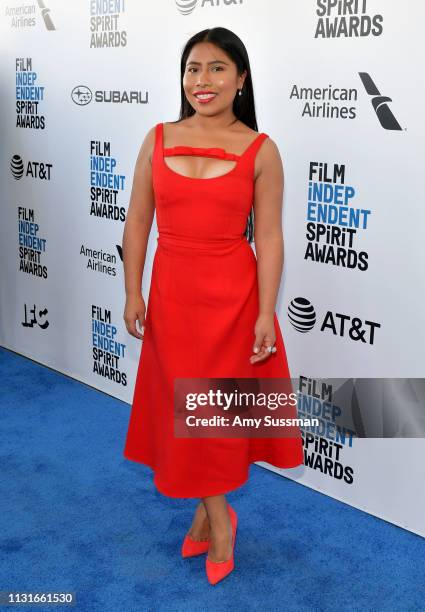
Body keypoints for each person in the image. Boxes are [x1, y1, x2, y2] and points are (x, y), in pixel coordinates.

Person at [122, 26, 303, 585]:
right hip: (174, 295)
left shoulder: (261, 150)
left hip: (234, 294)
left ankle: (214, 517)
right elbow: (137, 223)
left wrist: (265, 311)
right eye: (193, 68)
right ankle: (219, 515)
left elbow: (268, 238)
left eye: (218, 68)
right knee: (189, 413)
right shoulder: (157, 138)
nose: (203, 80)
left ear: (241, 78)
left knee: (216, 414)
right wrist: (133, 289)